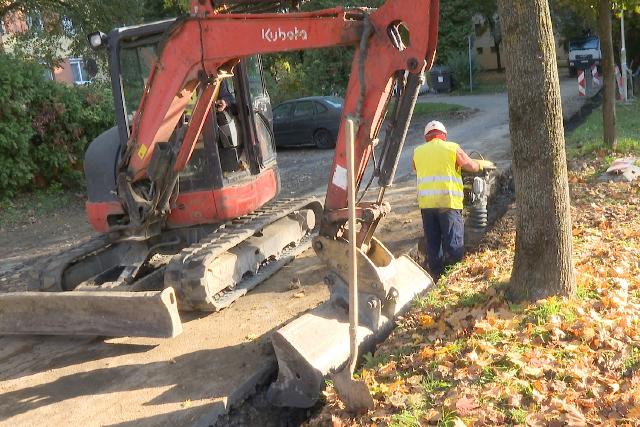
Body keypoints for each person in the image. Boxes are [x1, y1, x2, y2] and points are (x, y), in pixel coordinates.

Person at [412, 120, 490, 282]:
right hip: (448, 203)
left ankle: (436, 277)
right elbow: (471, 166)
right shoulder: (452, 148)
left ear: (427, 137)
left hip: (427, 205)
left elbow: (417, 168)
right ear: (444, 136)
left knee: (433, 243)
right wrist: (481, 165)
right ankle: (454, 277)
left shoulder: (417, 152)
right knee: (453, 241)